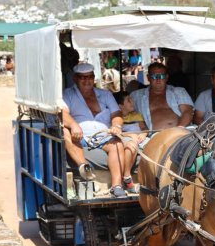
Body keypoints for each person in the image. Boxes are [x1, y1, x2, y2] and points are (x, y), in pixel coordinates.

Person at [62, 63, 138, 198]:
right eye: (83, 77)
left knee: (117, 144)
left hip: (104, 135)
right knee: (65, 131)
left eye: (90, 77)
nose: (87, 80)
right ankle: (83, 166)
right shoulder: (68, 95)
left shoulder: (105, 94)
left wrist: (116, 126)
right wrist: (73, 125)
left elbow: (116, 114)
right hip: (79, 136)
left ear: (94, 78)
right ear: (75, 79)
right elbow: (62, 113)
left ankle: (117, 186)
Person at [129, 62, 194, 130]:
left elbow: (187, 112)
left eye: (162, 76)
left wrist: (178, 130)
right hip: (151, 135)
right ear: (148, 77)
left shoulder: (179, 91)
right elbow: (126, 113)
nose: (158, 79)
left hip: (180, 133)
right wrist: (142, 126)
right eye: (154, 76)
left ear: (166, 77)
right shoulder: (136, 95)